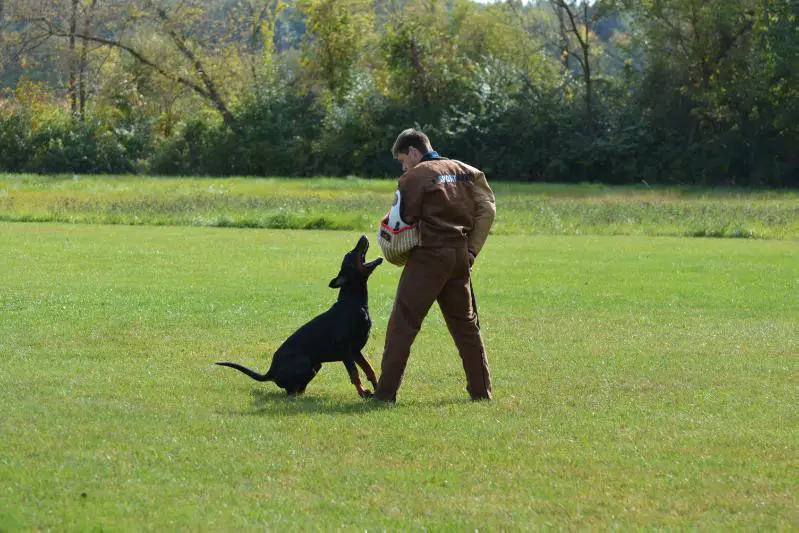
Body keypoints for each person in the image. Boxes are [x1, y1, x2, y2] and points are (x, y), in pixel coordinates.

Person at [373, 128, 496, 402]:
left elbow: (402, 218)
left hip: (429, 255)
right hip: (460, 255)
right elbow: (487, 209)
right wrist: (471, 250)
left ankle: (385, 393)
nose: (404, 167)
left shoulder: (415, 176)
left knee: (403, 324)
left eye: (403, 160)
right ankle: (481, 391)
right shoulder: (466, 171)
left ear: (413, 151)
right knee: (466, 325)